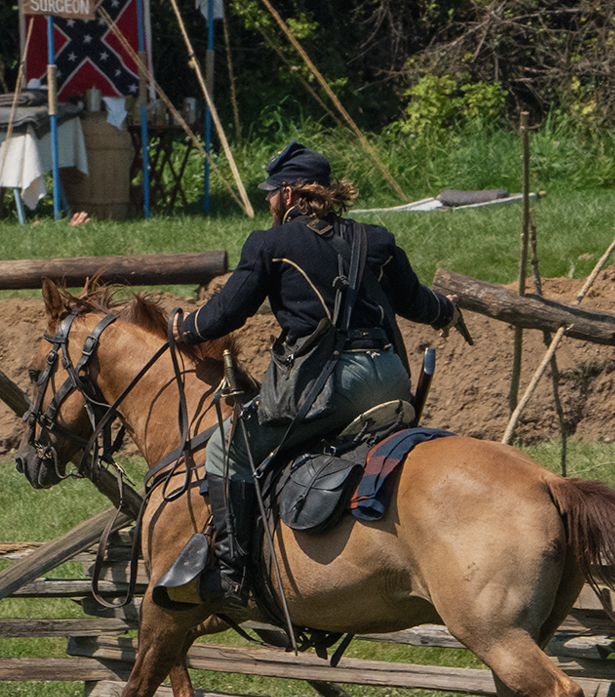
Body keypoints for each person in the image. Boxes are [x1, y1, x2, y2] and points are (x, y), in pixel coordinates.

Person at [170, 141, 459, 604]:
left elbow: (227, 313)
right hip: (389, 378)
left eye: (270, 193)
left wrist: (185, 326)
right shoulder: (376, 239)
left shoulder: (271, 244)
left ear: (288, 195)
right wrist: (447, 311)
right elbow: (416, 302)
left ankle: (229, 573)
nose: (267, 201)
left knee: (228, 448)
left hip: (329, 387)